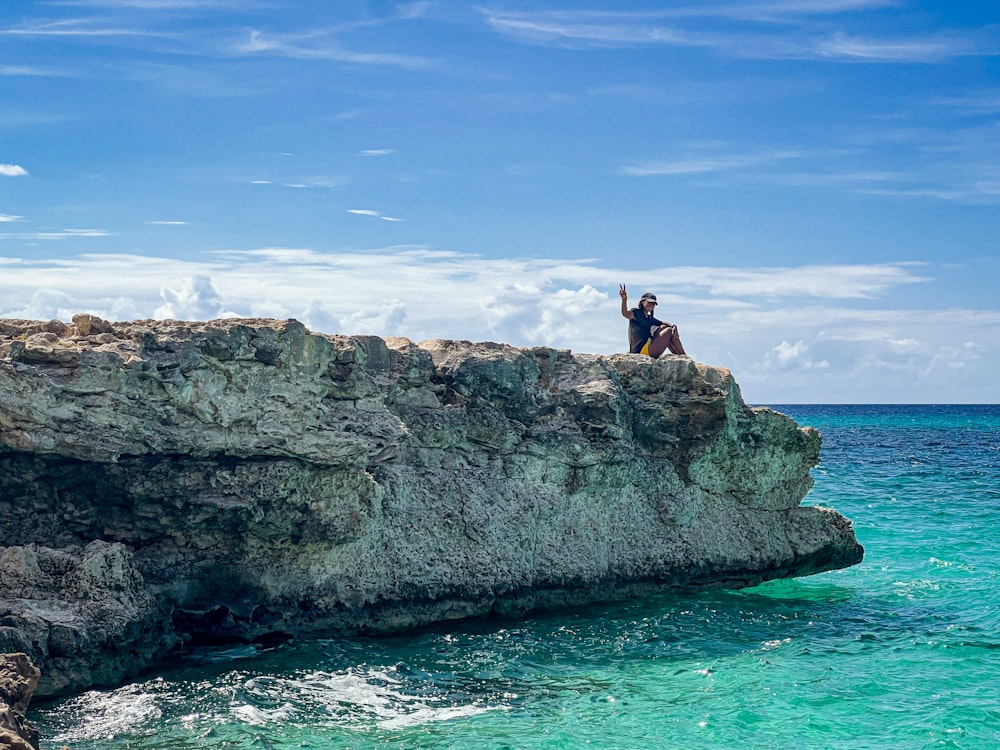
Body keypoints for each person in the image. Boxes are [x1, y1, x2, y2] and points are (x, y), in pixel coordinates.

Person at [619, 284, 687, 358]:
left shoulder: (649, 318)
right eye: (650, 302)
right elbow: (625, 313)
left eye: (654, 303)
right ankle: (683, 356)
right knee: (669, 331)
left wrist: (673, 326)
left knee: (665, 327)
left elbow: (662, 323)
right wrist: (624, 300)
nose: (652, 305)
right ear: (642, 302)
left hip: (648, 346)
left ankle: (682, 356)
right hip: (641, 351)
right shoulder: (636, 313)